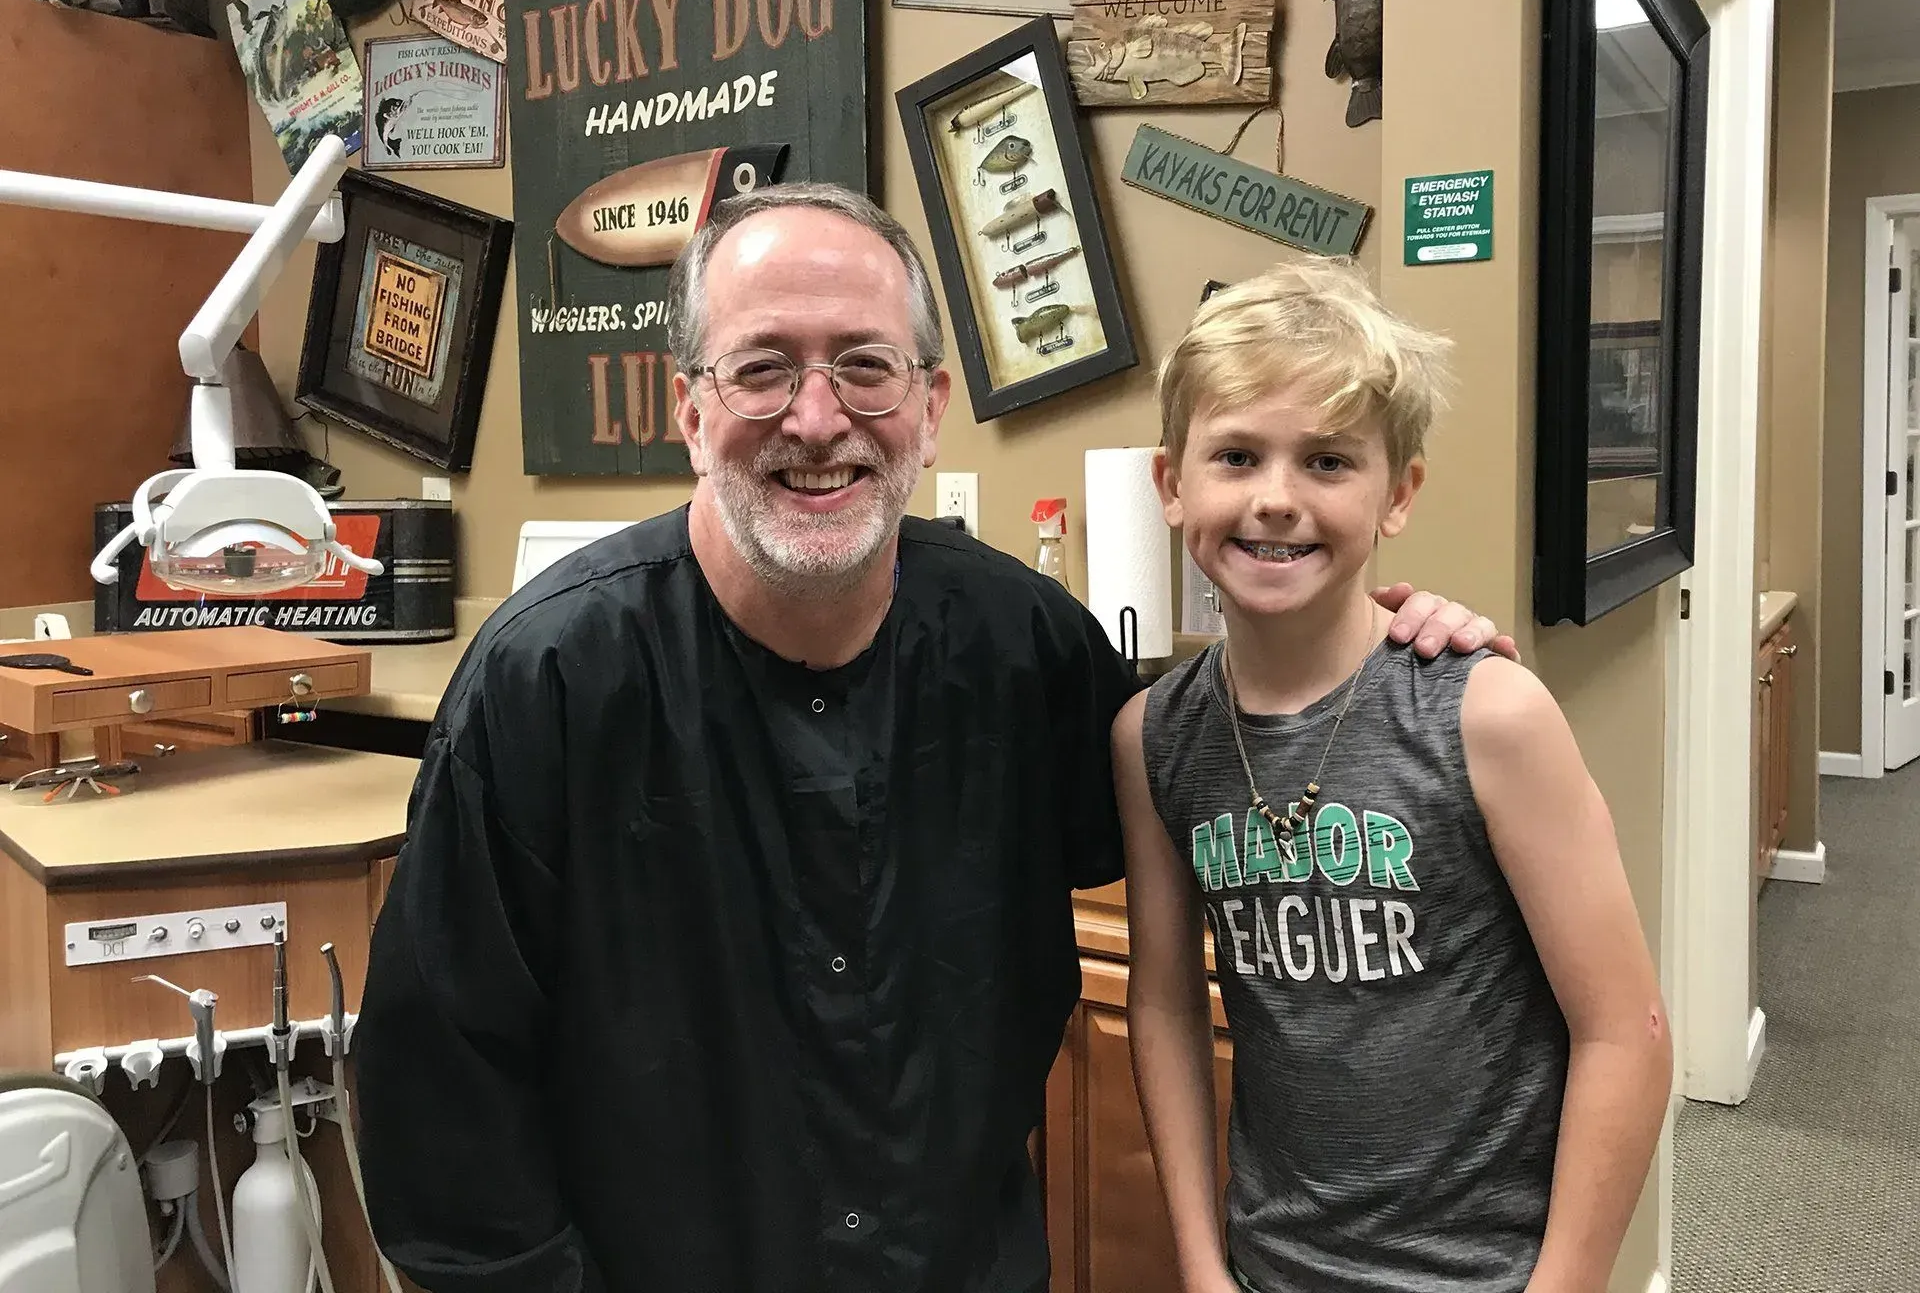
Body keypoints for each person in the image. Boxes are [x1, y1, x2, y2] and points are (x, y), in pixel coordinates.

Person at [353, 185, 1508, 1293]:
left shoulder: (1027, 651)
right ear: (691, 412)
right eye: (763, 369)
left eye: (865, 365)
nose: (818, 419)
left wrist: (1380, 652)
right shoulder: (542, 685)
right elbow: (443, 1120)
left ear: (931, 404)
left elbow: (1240, 795)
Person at [1113, 259, 1672, 1293]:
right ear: (1171, 483)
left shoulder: (1488, 714)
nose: (1276, 499)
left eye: (1328, 462)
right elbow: (1165, 1006)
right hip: (1269, 1266)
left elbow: (1625, 1033)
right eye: (1236, 455)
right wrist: (1200, 1263)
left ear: (1397, 494)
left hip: (1488, 1274)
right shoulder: (1154, 736)